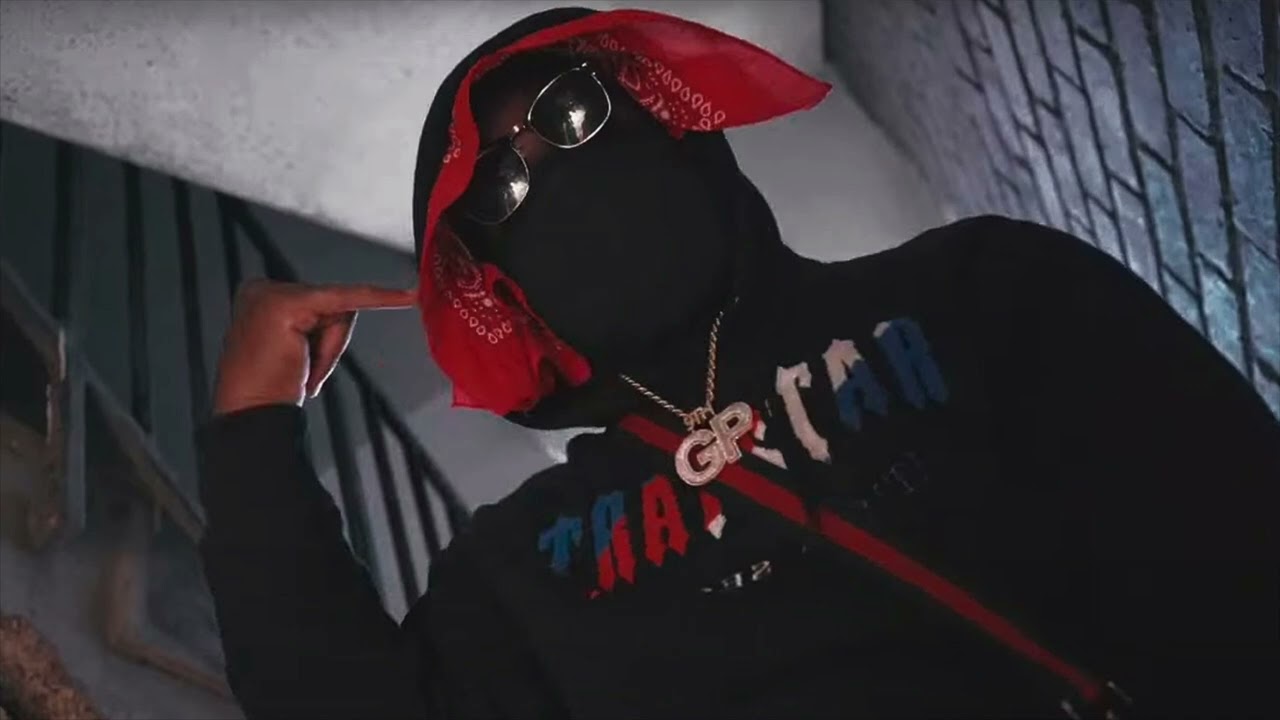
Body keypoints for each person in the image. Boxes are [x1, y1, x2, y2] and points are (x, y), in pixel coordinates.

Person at [198, 7, 1280, 719]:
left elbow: (1236, 527)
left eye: (572, 111)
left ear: (657, 113)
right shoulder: (519, 567)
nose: (550, 178)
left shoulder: (977, 288)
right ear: (496, 280)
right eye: (497, 191)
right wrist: (251, 436)